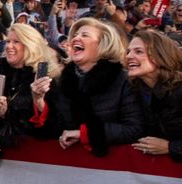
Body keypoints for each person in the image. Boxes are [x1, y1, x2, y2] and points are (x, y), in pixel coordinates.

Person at [0, 23, 62, 162]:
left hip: (35, 159)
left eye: (16, 42)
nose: (9, 46)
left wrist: (9, 112)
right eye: (8, 41)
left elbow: (51, 128)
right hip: (2, 161)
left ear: (30, 45)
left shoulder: (46, 78)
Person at [57, 18, 144, 155]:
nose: (75, 39)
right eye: (75, 35)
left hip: (113, 166)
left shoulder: (123, 80)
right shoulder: (62, 81)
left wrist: (85, 134)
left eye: (84, 35)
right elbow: (57, 127)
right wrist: (39, 101)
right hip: (71, 166)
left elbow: (134, 129)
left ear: (103, 44)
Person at [126, 29, 182, 161]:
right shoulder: (135, 90)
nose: (129, 56)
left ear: (160, 56)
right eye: (128, 51)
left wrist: (170, 147)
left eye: (138, 51)